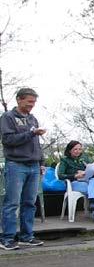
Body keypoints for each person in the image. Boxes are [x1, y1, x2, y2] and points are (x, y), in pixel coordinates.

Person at [0, 88, 46, 250]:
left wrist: (42, 162)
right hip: (16, 165)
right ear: (19, 100)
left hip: (33, 165)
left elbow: (36, 144)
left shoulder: (33, 119)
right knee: (12, 203)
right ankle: (7, 238)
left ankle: (27, 236)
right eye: (29, 102)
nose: (32, 105)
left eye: (34, 102)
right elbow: (8, 140)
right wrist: (31, 133)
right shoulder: (8, 117)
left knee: (29, 203)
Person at [58, 141, 94, 222]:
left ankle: (92, 202)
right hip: (74, 183)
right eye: (75, 149)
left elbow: (91, 170)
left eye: (80, 149)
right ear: (70, 150)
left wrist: (89, 170)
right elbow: (60, 175)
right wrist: (75, 175)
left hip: (87, 180)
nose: (78, 151)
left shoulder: (84, 158)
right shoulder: (65, 160)